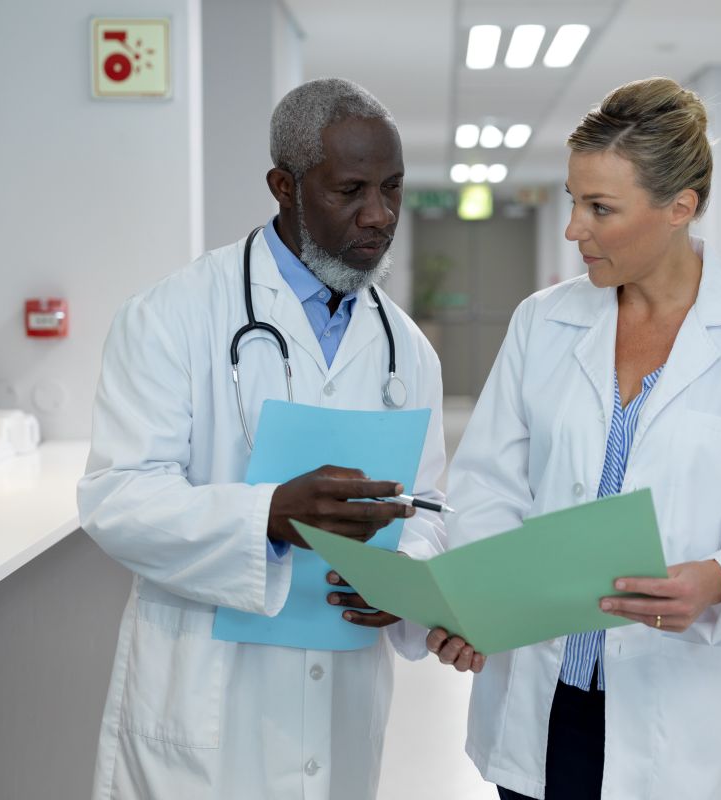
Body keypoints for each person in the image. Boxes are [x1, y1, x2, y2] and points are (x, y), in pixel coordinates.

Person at [426, 77, 721, 799]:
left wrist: (718, 580)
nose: (573, 228)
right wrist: (480, 600)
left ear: (681, 209)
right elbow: (487, 483)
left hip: (669, 701)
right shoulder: (542, 323)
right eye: (575, 200)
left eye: (600, 208)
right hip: (541, 692)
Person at [77, 78, 446, 799]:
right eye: (351, 191)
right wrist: (268, 515)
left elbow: (425, 507)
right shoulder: (172, 316)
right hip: (207, 694)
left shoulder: (408, 351)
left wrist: (405, 582)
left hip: (342, 689)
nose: (380, 215)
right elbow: (116, 498)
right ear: (285, 186)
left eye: (394, 188)